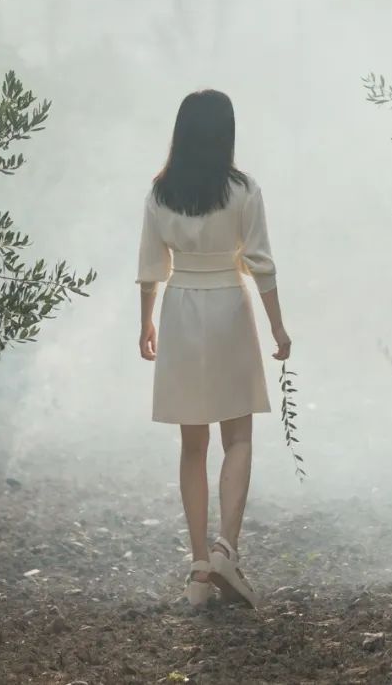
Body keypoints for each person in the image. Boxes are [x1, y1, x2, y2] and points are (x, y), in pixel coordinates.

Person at [137, 89, 290, 610]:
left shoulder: (161, 192)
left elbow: (150, 267)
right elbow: (261, 263)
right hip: (228, 304)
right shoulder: (243, 190)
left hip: (180, 307)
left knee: (192, 444)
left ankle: (200, 568)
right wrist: (278, 328)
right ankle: (227, 547)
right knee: (238, 435)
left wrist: (145, 322)